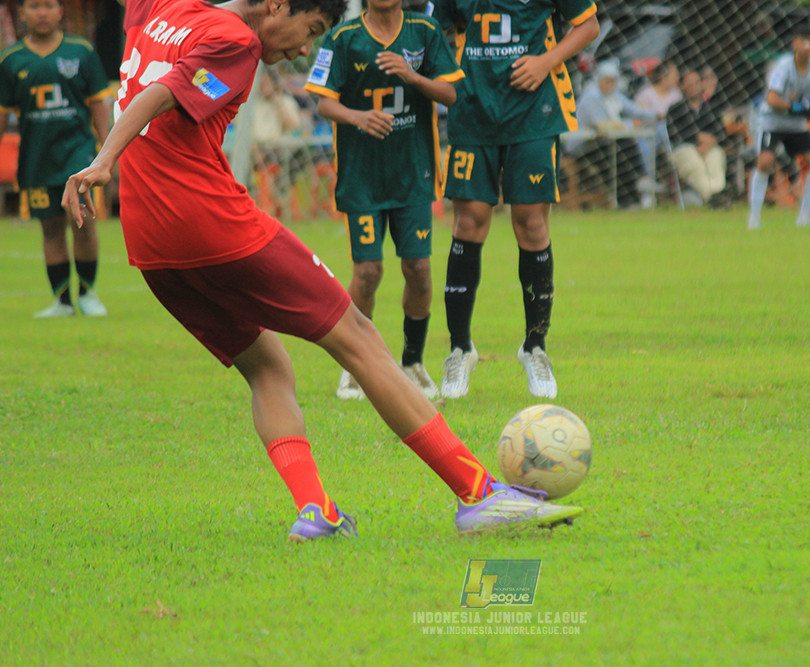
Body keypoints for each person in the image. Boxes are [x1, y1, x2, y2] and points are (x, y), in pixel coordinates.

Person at [63, 0, 583, 539]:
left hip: (152, 245)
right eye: (309, 29)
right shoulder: (235, 40)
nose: (305, 48)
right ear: (276, 5)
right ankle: (479, 494)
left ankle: (316, 512)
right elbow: (161, 92)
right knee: (359, 336)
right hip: (212, 223)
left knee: (267, 366)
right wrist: (103, 161)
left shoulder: (158, 10)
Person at [430, 0, 600, 399]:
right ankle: (460, 349)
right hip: (473, 111)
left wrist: (546, 61)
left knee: (532, 223)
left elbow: (588, 25)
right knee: (468, 222)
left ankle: (535, 347)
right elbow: (432, 31)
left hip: (534, 112)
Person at [304, 0, 463, 401]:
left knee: (419, 269)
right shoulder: (342, 38)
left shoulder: (425, 32)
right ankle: (354, 367)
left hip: (413, 175)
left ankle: (412, 362)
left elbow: (450, 93)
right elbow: (323, 102)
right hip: (362, 179)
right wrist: (358, 117)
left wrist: (412, 76)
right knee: (368, 272)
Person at [0, 0, 113, 318]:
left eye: (49, 5)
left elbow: (98, 104)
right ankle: (62, 301)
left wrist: (108, 151)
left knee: (83, 223)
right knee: (50, 228)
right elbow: (3, 113)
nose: (42, 13)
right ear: (22, 13)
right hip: (36, 159)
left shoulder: (81, 52)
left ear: (60, 11)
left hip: (78, 154)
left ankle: (88, 294)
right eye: (34, 6)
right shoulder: (10, 60)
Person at [747, 21, 810, 229]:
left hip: (796, 125)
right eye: (803, 41)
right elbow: (771, 98)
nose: (807, 46)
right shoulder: (783, 67)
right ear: (795, 43)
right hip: (773, 122)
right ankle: (754, 218)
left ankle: (804, 217)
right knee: (765, 161)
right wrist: (792, 106)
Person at [565, 60, 657, 209]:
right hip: (581, 144)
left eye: (612, 81)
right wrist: (630, 124)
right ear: (599, 79)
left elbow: (635, 111)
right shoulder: (591, 96)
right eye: (606, 81)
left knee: (623, 144)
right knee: (615, 152)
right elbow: (603, 125)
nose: (609, 85)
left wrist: (654, 114)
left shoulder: (614, 95)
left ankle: (639, 184)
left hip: (603, 141)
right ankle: (627, 197)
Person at [666, 67, 730, 208]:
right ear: (682, 87)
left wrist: (707, 143)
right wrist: (697, 138)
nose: (693, 86)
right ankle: (713, 197)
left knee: (716, 156)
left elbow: (720, 133)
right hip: (684, 149)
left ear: (702, 84)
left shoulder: (711, 108)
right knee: (694, 162)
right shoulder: (675, 109)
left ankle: (717, 195)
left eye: (696, 82)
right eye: (689, 83)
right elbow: (674, 134)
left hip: (709, 148)